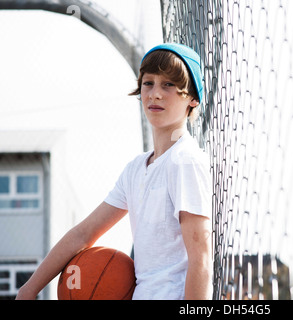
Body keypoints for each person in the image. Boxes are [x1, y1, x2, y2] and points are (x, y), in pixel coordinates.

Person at [16, 43, 213, 300]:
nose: (155, 94)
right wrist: (29, 289)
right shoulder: (135, 169)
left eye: (168, 85)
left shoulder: (186, 162)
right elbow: (83, 234)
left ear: (193, 98)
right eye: (148, 83)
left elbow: (201, 259)